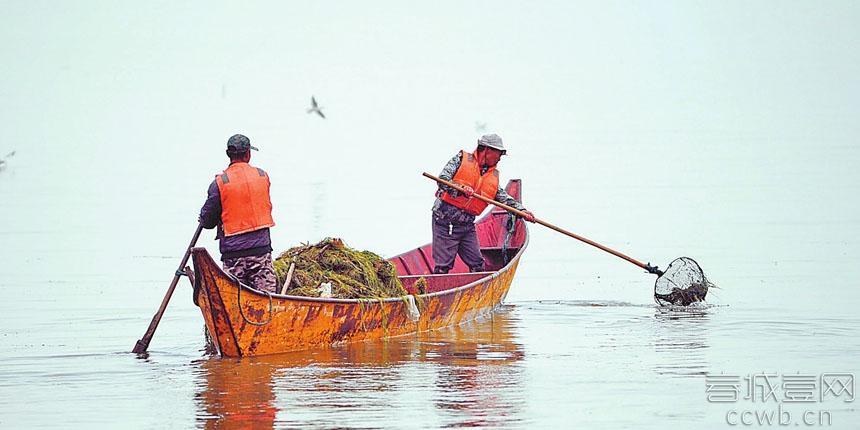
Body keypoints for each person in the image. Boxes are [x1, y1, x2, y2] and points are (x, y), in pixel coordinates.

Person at [431, 133, 536, 274]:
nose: (499, 158)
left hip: (467, 226)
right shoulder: (461, 159)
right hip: (445, 221)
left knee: (478, 265)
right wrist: (461, 189)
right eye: (498, 154)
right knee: (443, 267)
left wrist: (522, 210)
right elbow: (442, 180)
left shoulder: (492, 176)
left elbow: (503, 197)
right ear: (487, 150)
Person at [199, 134, 277, 293]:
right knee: (267, 299)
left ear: (229, 155)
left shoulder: (220, 183)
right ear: (248, 154)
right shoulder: (262, 176)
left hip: (233, 255)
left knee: (234, 298)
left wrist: (203, 216)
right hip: (261, 251)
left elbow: (207, 222)